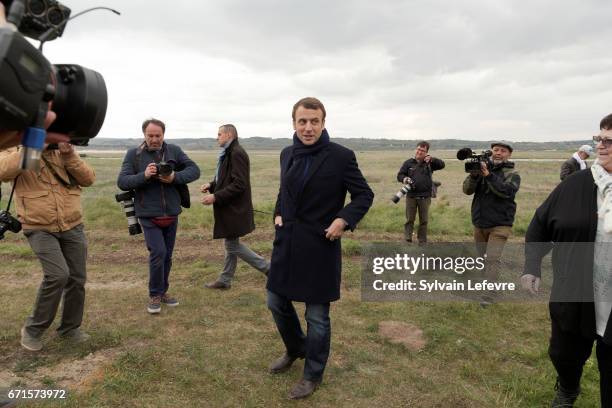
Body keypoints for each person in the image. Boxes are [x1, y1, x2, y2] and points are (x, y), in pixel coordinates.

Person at [266, 97, 374, 399]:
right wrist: (278, 213)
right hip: (287, 243)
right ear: (294, 123)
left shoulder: (340, 157)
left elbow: (364, 195)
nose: (308, 127)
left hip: (320, 246)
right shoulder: (286, 153)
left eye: (315, 121)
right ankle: (296, 348)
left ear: (324, 123)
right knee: (275, 302)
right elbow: (283, 190)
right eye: (303, 121)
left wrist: (343, 219)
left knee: (316, 316)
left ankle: (312, 374)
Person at [521, 114, 612, 407]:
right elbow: (539, 225)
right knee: (563, 354)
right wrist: (531, 267)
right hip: (574, 292)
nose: (602, 145)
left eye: (610, 140)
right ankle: (568, 387)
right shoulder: (574, 185)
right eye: (600, 138)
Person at [0, 142, 95, 352]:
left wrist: (69, 154)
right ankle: (33, 330)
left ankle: (70, 329)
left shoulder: (62, 148)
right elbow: (3, 171)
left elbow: (88, 178)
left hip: (72, 223)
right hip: (38, 226)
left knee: (77, 278)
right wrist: (35, 147)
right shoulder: (16, 145)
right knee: (58, 275)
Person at [117, 118, 200, 314]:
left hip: (171, 212)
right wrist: (144, 176)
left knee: (167, 256)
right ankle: (154, 293)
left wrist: (174, 177)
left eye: (158, 135)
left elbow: (195, 170)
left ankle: (163, 292)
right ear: (144, 135)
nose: (154, 139)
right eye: (150, 135)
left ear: (164, 135)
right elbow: (122, 181)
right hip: (148, 214)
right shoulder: (134, 154)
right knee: (158, 253)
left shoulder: (174, 151)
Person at [201, 124, 269, 289]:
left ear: (229, 134)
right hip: (230, 208)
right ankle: (225, 280)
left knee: (231, 245)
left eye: (219, 134)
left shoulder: (237, 153)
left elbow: (239, 184)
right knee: (230, 242)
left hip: (234, 208)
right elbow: (226, 178)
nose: (217, 137)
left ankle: (269, 268)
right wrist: (211, 185)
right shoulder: (228, 153)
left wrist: (216, 196)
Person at [462, 142, 520, 288]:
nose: (498, 153)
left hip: (500, 225)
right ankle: (484, 283)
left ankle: (489, 293)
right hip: (480, 223)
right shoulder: (481, 170)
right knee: (482, 258)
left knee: (492, 259)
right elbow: (467, 190)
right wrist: (474, 176)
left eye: (503, 151)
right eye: (496, 150)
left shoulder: (512, 174)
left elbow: (505, 192)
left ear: (509, 154)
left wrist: (488, 175)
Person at [396, 141, 445, 243]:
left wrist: (432, 159)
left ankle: (422, 240)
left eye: (422, 150)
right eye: (418, 149)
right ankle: (407, 239)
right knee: (409, 219)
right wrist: (405, 179)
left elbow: (442, 165)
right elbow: (399, 175)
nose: (419, 152)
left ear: (426, 152)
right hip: (411, 196)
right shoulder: (408, 162)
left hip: (425, 197)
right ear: (416, 149)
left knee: (424, 221)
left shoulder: (430, 163)